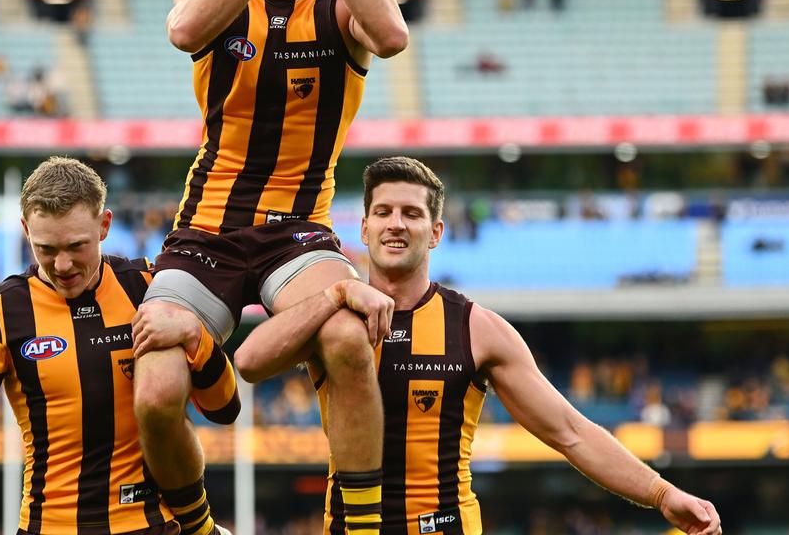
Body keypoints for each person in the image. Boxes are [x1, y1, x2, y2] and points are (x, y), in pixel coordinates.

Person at [132, 0, 409, 535]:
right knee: (157, 386)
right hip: (205, 232)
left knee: (348, 338)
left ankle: (364, 527)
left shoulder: (338, 3)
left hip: (297, 237)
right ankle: (198, 528)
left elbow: (393, 33)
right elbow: (184, 27)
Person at [235, 157, 724, 535]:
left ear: (436, 233)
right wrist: (335, 292)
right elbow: (250, 362)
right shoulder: (334, 319)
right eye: (382, 212)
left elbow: (570, 431)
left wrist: (661, 494)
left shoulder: (476, 328)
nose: (396, 224)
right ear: (363, 229)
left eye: (412, 213)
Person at [0, 157, 239, 535]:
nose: (62, 264)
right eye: (45, 249)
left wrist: (195, 335)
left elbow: (224, 408)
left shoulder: (150, 287)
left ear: (104, 225)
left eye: (77, 246)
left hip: (153, 526)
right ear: (25, 230)